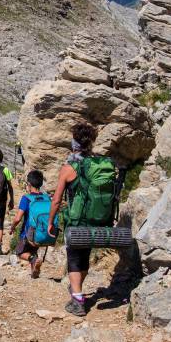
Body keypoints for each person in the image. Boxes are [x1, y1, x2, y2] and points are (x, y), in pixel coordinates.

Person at [48, 122, 103, 317]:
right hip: (96, 220)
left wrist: (51, 222)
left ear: (75, 143)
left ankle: (78, 299)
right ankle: (77, 290)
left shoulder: (69, 168)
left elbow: (56, 200)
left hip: (76, 221)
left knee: (73, 259)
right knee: (84, 257)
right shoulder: (99, 164)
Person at [8, 169, 51, 278]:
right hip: (43, 232)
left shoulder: (26, 198)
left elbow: (18, 218)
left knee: (19, 252)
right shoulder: (46, 198)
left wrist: (12, 227)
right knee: (33, 250)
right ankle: (34, 273)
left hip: (28, 233)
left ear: (29, 184)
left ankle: (33, 260)